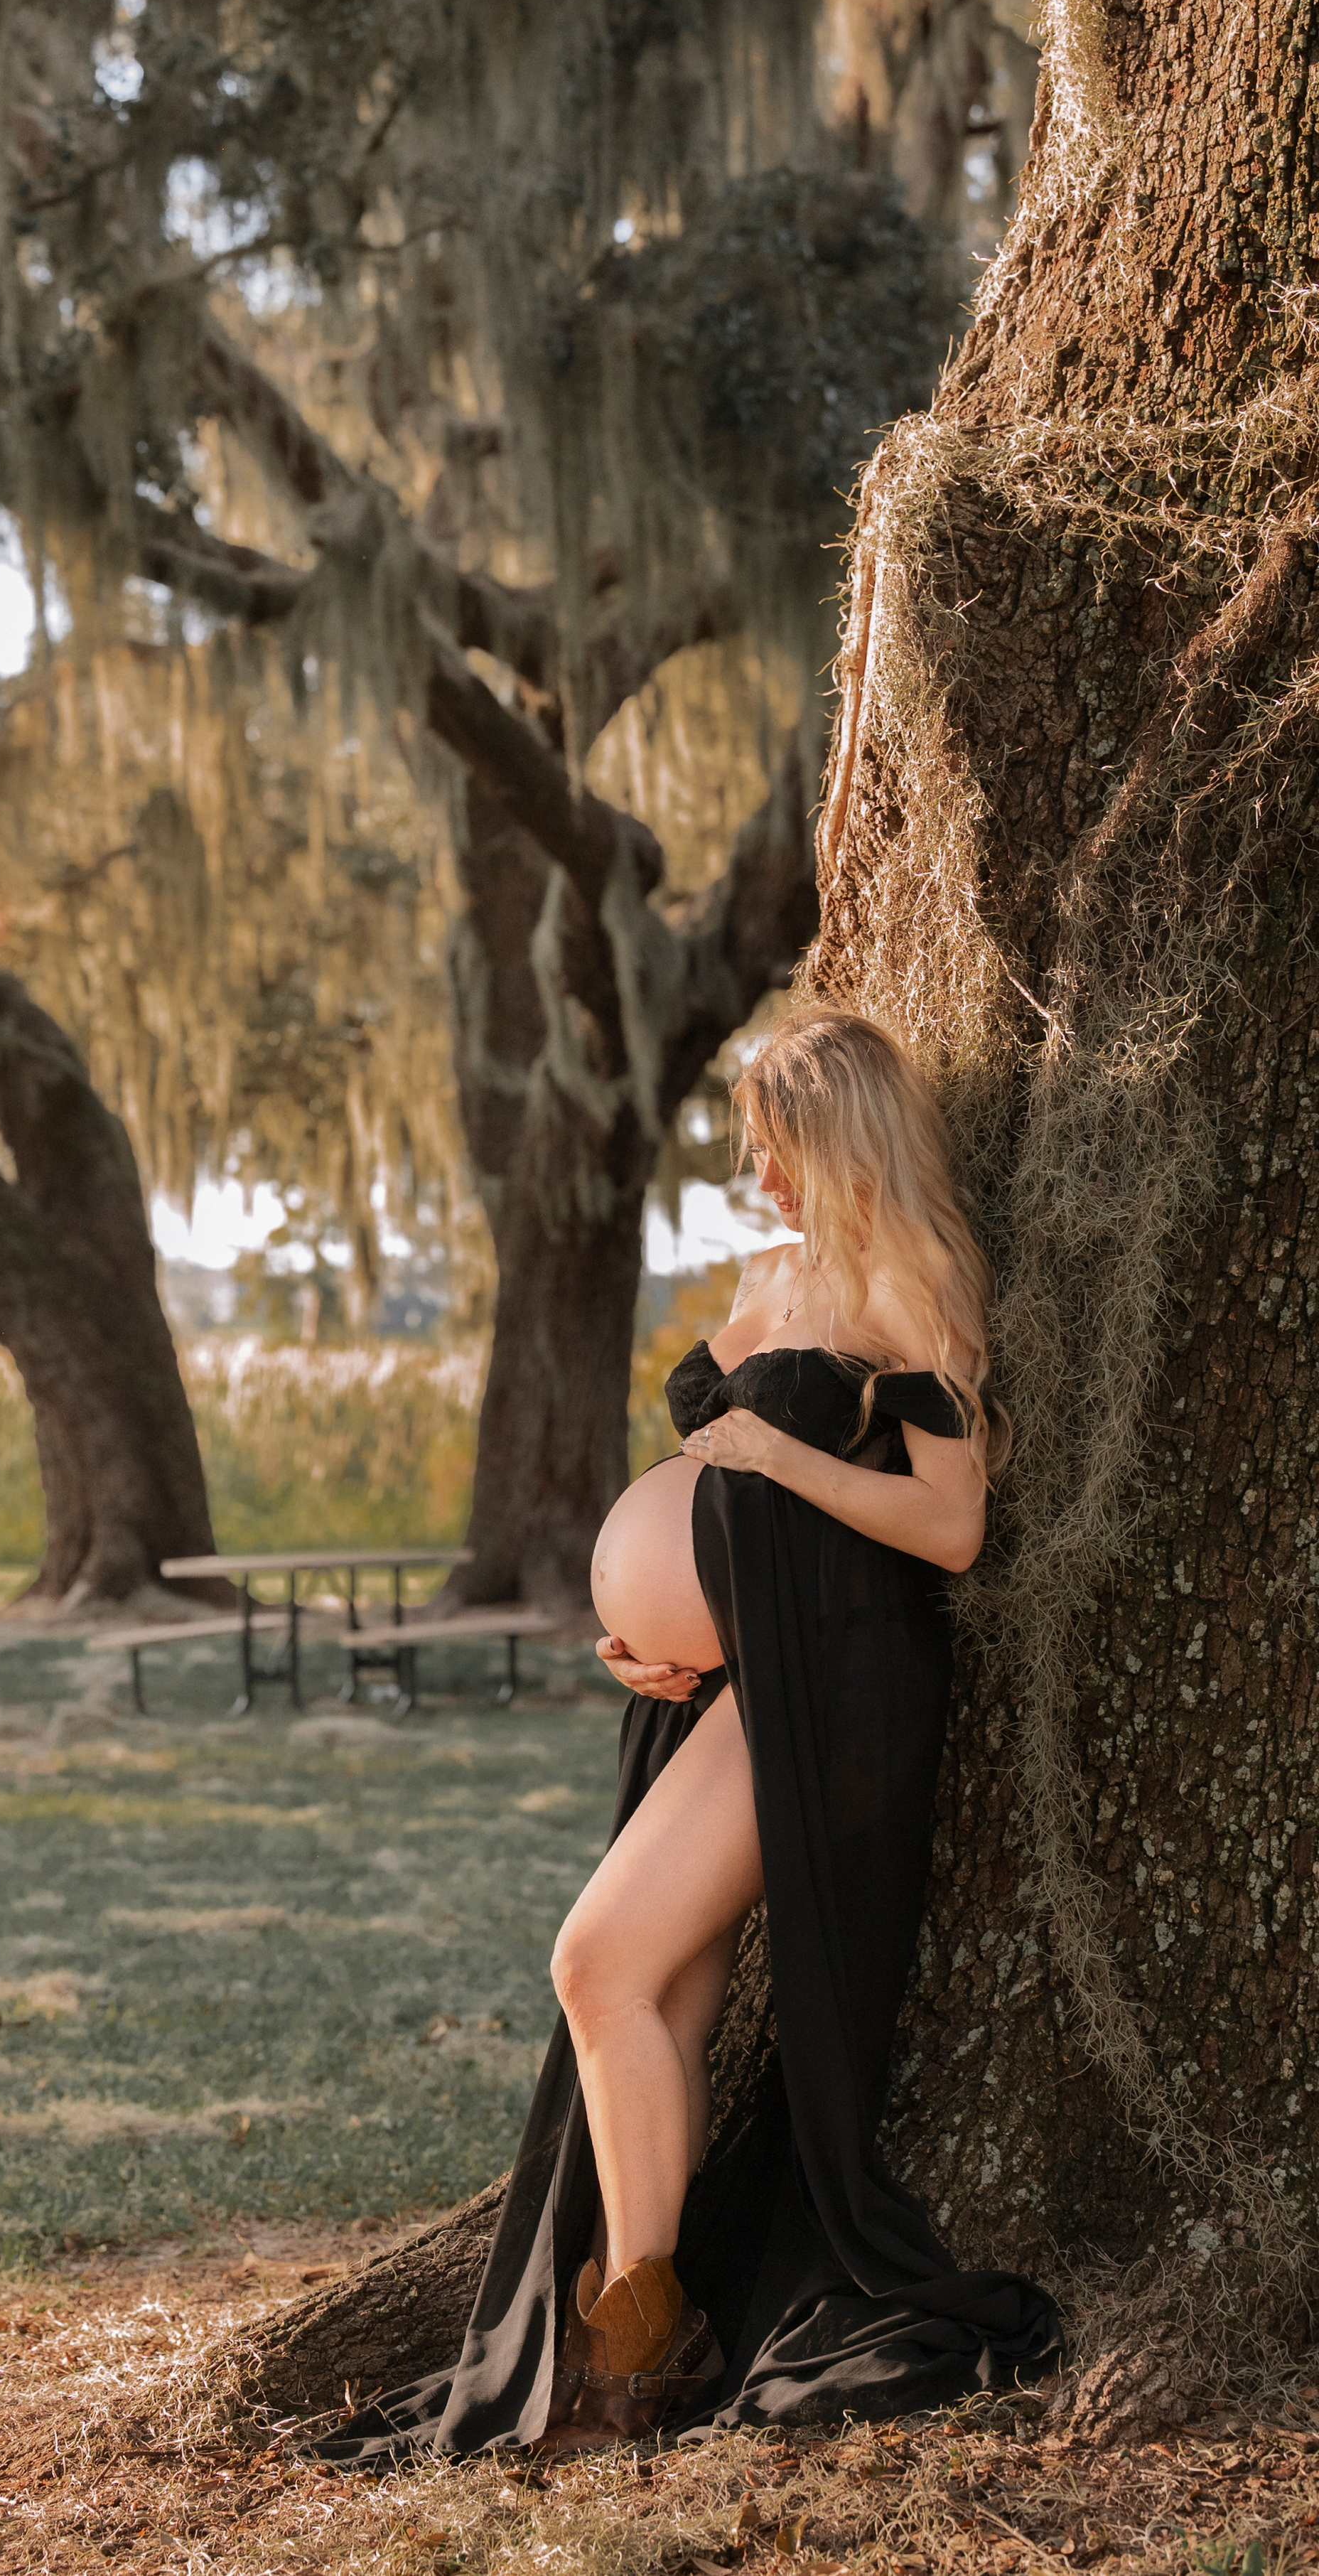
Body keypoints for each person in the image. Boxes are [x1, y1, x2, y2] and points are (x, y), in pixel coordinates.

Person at [320, 1007, 1062, 2462]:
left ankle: (627, 2357)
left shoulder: (905, 1285)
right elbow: (698, 1473)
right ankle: (638, 2351)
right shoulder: (771, 1273)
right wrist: (649, 1622)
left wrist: (772, 1451)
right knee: (649, 1990)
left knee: (594, 1961)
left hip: (832, 1673)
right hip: (712, 1679)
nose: (755, 1171)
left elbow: (951, 1525)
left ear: (836, 1135)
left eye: (771, 1143)